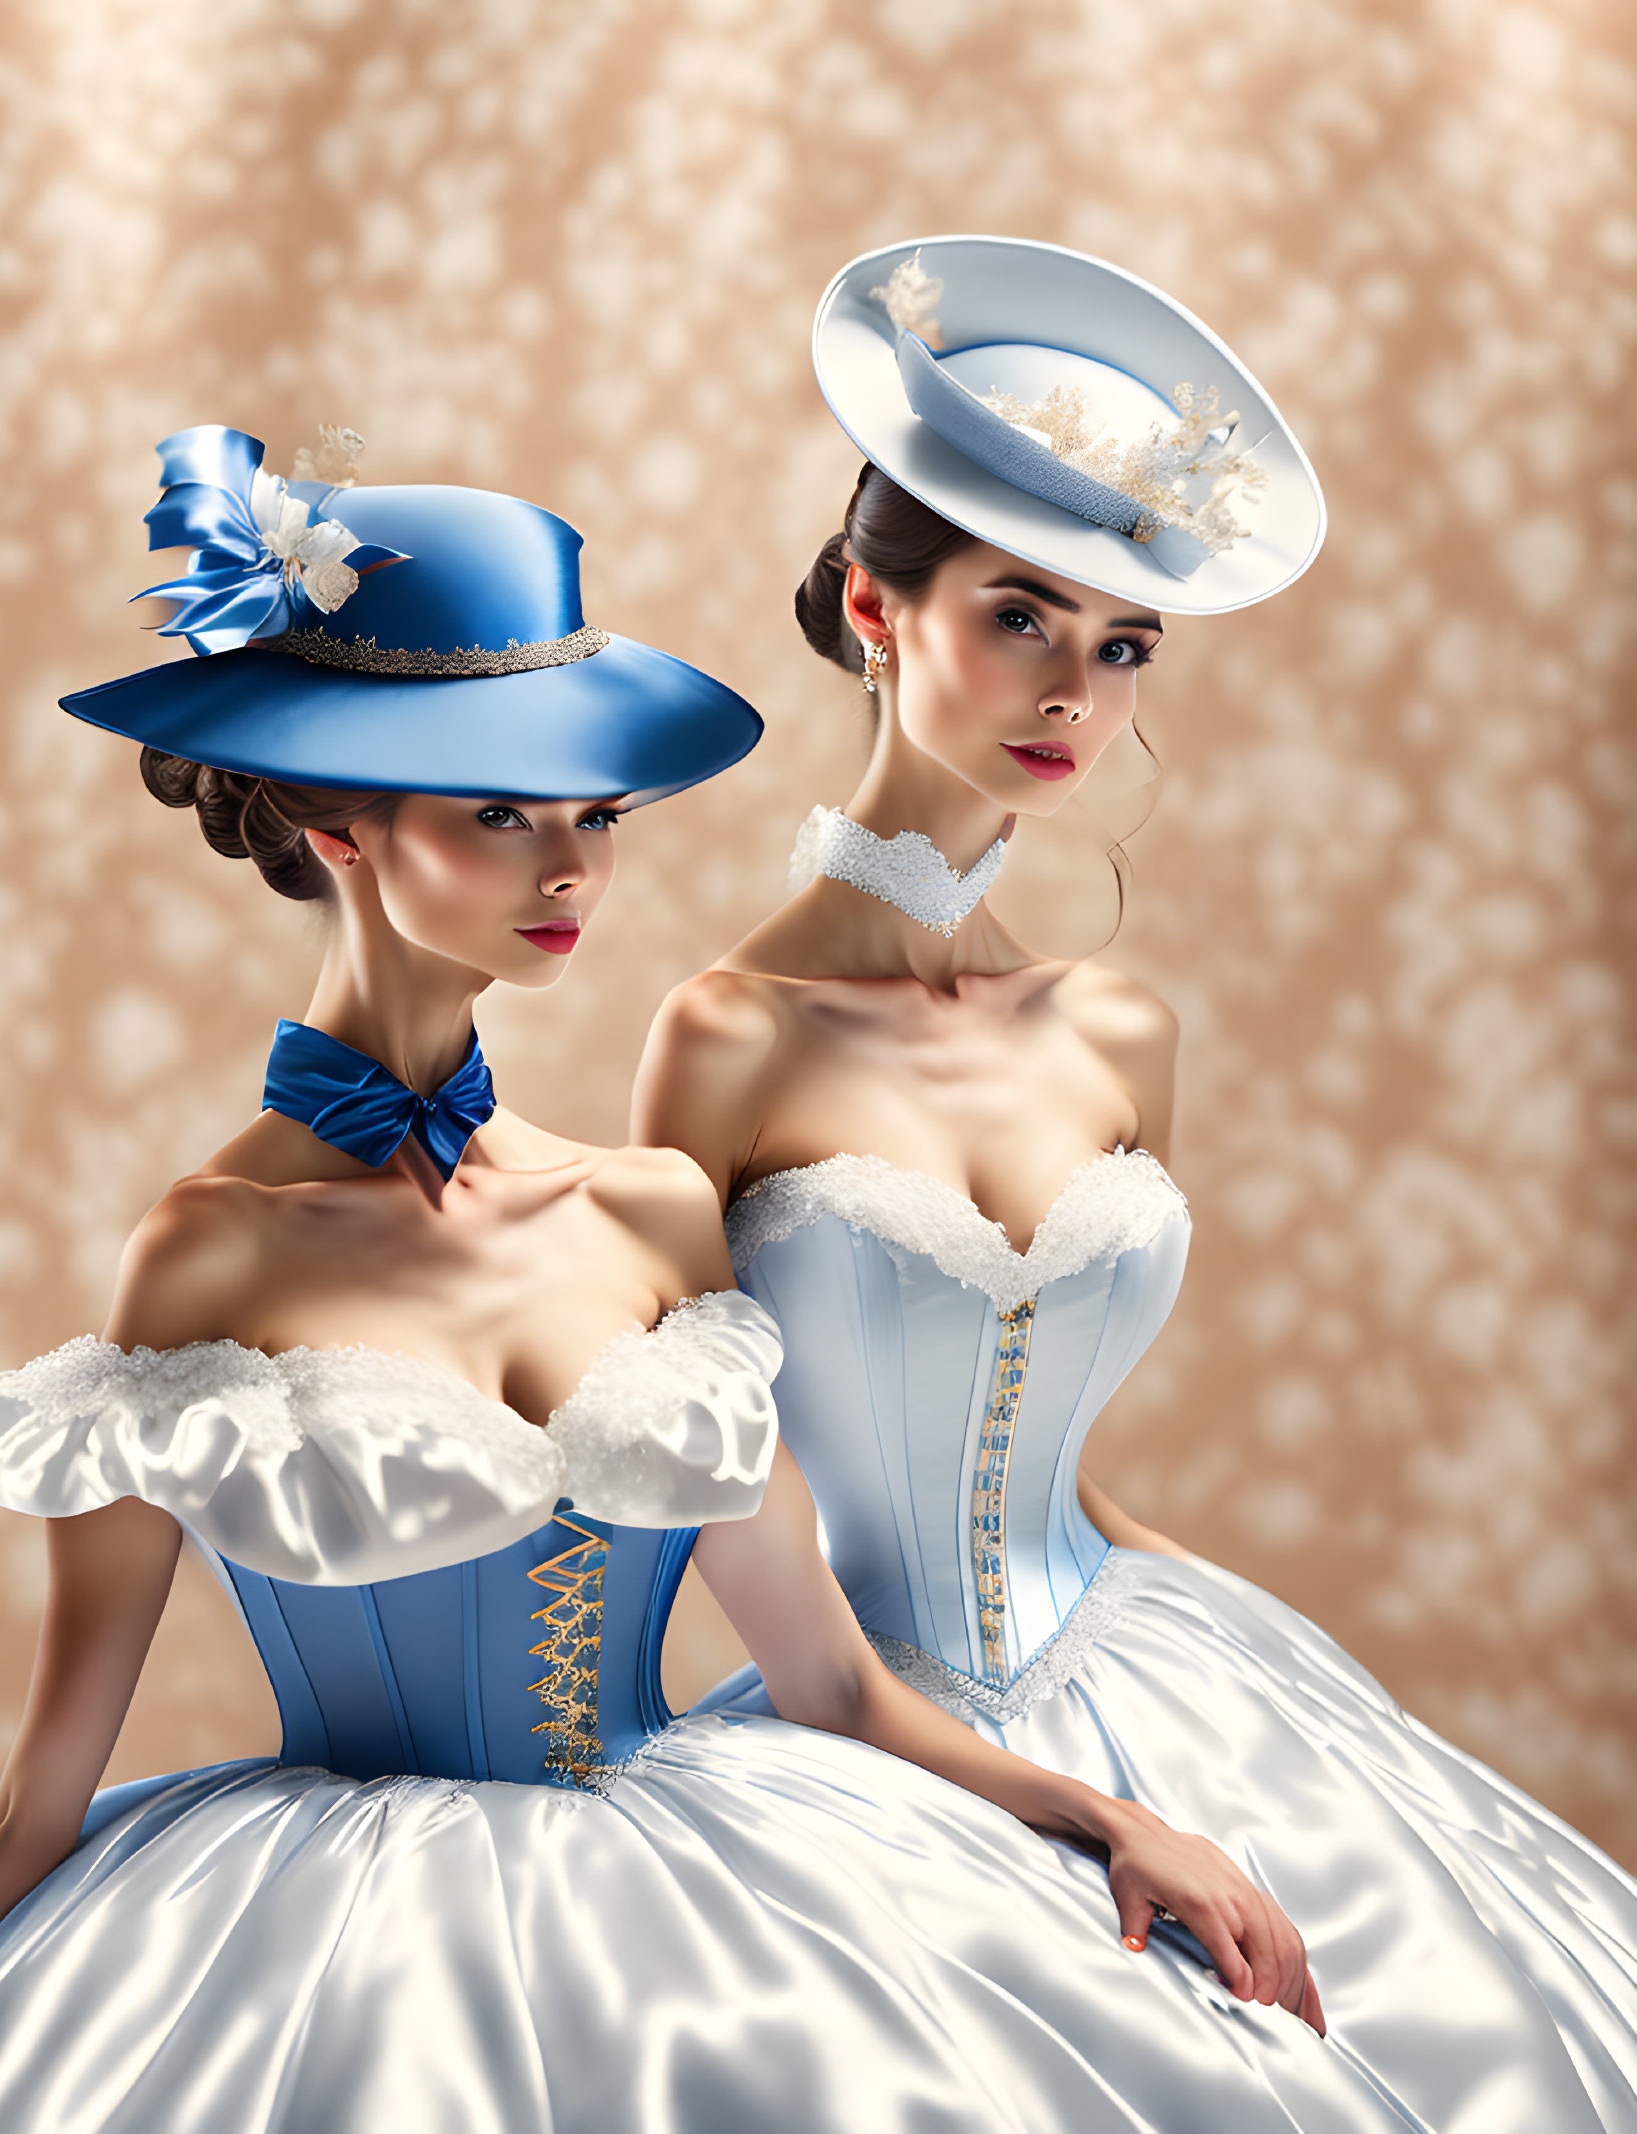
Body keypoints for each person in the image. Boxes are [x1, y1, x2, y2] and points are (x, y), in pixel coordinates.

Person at [0, 429, 1380, 2134]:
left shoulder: (648, 1200)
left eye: (592, 815)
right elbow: (32, 1801)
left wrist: (1116, 1818)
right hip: (318, 1950)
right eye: (499, 813)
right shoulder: (203, 1250)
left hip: (721, 1893)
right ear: (331, 818)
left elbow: (830, 1681)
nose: (573, 871)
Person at [633, 237, 1637, 2132]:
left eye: (1123, 643)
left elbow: (1066, 1481)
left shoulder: (1121, 1029)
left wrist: (1324, 1702)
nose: (1073, 692)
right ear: (873, 600)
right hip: (875, 1724)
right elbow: (691, 1489)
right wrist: (1092, 1811)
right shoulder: (726, 1035)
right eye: (1019, 615)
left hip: (1162, 1659)